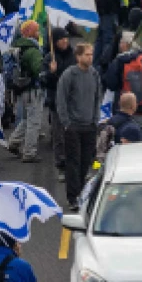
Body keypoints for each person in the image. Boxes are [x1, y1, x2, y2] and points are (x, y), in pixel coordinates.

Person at [57, 44, 101, 208]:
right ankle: (73, 197)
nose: (90, 57)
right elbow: (61, 100)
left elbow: (97, 97)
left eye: (91, 54)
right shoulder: (69, 75)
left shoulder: (94, 74)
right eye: (87, 55)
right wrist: (66, 123)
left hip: (89, 125)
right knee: (73, 163)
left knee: (86, 162)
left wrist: (95, 119)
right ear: (78, 57)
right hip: (73, 126)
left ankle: (83, 193)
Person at [7, 22, 47, 162]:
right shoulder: (33, 50)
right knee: (34, 122)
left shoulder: (18, 47)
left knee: (25, 119)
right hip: (33, 90)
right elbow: (38, 70)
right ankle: (29, 153)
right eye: (36, 31)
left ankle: (13, 142)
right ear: (29, 32)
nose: (39, 33)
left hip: (21, 89)